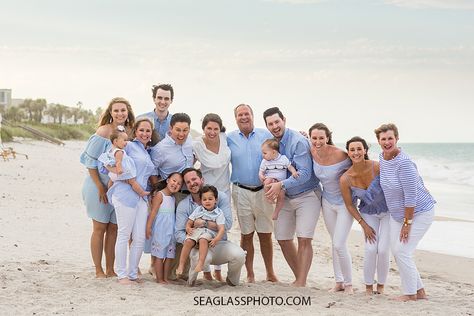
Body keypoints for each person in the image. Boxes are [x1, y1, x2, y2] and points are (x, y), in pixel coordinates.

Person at [375, 123, 436, 301]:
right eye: (383, 139)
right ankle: (420, 291)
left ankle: (410, 294)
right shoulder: (382, 157)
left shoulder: (404, 163)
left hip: (419, 213)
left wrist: (407, 224)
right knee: (399, 251)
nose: (387, 142)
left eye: (390, 138)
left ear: (397, 139)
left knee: (402, 251)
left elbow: (411, 196)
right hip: (397, 215)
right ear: (378, 141)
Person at [263, 107, 321, 287]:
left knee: (304, 238)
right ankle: (300, 278)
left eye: (277, 122)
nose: (274, 126)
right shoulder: (271, 144)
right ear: (267, 126)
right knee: (282, 237)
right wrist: (270, 181)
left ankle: (301, 282)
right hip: (286, 197)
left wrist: (280, 184)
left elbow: (304, 174)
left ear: (284, 120)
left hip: (308, 195)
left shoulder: (298, 141)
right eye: (270, 124)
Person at [80, 97, 135, 278]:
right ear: (110, 113)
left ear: (128, 112)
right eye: (116, 110)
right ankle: (99, 270)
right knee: (99, 228)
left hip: (118, 190)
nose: (120, 113)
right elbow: (90, 162)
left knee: (114, 229)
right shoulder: (103, 132)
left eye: (123, 110)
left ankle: (111, 269)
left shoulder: (129, 134)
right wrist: (100, 187)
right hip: (98, 187)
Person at [227, 104, 278, 283]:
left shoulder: (266, 135)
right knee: (246, 234)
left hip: (264, 191)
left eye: (246, 114)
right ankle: (249, 274)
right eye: (240, 114)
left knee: (265, 234)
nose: (244, 117)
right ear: (236, 118)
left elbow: (282, 143)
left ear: (252, 115)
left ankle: (270, 273)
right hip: (240, 191)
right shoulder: (229, 138)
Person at [107, 117, 159, 284]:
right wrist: (125, 177)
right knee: (124, 234)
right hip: (125, 195)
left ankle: (133, 274)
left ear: (151, 134)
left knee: (139, 238)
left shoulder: (147, 151)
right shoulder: (128, 146)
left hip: (141, 198)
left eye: (148, 131)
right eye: (141, 130)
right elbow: (106, 160)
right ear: (135, 132)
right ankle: (122, 275)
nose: (144, 133)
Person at [175, 168, 245, 286]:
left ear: (202, 179)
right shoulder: (184, 205)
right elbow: (178, 233)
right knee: (201, 258)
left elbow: (227, 225)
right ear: (186, 186)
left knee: (239, 254)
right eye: (188, 182)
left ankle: (232, 282)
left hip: (218, 243)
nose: (192, 183)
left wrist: (204, 223)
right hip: (197, 245)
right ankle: (191, 282)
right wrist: (193, 241)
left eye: (194, 179)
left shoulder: (220, 197)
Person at [339, 136, 390, 295]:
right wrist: (363, 224)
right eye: (352, 150)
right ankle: (368, 287)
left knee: (382, 250)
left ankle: (380, 286)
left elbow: (398, 182)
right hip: (368, 213)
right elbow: (349, 204)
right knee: (370, 248)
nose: (356, 152)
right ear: (348, 153)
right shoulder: (345, 178)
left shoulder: (377, 167)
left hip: (388, 211)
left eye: (359, 149)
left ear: (365, 150)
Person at [309, 123, 353, 293]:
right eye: (314, 138)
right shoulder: (311, 150)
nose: (318, 141)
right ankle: (339, 281)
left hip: (344, 204)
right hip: (327, 202)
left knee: (339, 243)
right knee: (334, 242)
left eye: (321, 138)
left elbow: (358, 165)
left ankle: (349, 284)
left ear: (327, 137)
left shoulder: (341, 154)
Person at [193, 113, 231, 281]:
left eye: (215, 128)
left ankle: (218, 270)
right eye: (209, 128)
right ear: (204, 128)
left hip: (224, 191)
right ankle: (207, 271)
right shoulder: (197, 145)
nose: (212, 132)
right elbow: (190, 166)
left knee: (223, 229)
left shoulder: (225, 138)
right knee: (206, 230)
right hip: (207, 192)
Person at [176, 185, 226, 277]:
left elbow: (221, 229)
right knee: (188, 241)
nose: (207, 201)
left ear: (216, 200)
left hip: (209, 233)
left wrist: (216, 239)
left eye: (210, 199)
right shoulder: (198, 209)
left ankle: (201, 263)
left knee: (203, 239)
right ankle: (181, 264)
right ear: (201, 201)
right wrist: (188, 228)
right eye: (204, 199)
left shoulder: (219, 213)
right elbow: (189, 221)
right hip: (197, 230)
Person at [145, 172, 183, 284]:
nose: (175, 184)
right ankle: (159, 278)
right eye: (174, 180)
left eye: (179, 184)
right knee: (160, 255)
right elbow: (153, 212)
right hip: (160, 229)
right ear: (167, 180)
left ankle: (166, 278)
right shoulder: (160, 195)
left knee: (169, 255)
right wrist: (148, 227)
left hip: (171, 229)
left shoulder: (172, 198)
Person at [98, 126, 149, 197]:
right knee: (132, 182)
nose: (126, 142)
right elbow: (118, 162)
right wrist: (119, 170)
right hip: (120, 172)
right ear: (115, 141)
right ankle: (141, 192)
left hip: (113, 175)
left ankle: (109, 191)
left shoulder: (111, 150)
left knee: (111, 181)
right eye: (124, 140)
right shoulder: (119, 152)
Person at [259, 138, 299, 220]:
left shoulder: (283, 159)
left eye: (265, 153)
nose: (263, 155)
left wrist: (294, 172)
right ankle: (269, 197)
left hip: (281, 182)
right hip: (270, 178)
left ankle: (276, 212)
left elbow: (289, 167)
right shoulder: (265, 161)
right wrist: (261, 176)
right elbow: (261, 171)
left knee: (281, 197)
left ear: (273, 152)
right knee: (267, 181)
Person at [150, 112, 194, 180]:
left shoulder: (189, 139)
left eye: (185, 130)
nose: (181, 134)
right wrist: (157, 189)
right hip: (171, 188)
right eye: (178, 130)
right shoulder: (160, 149)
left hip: (191, 187)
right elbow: (152, 171)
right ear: (170, 128)